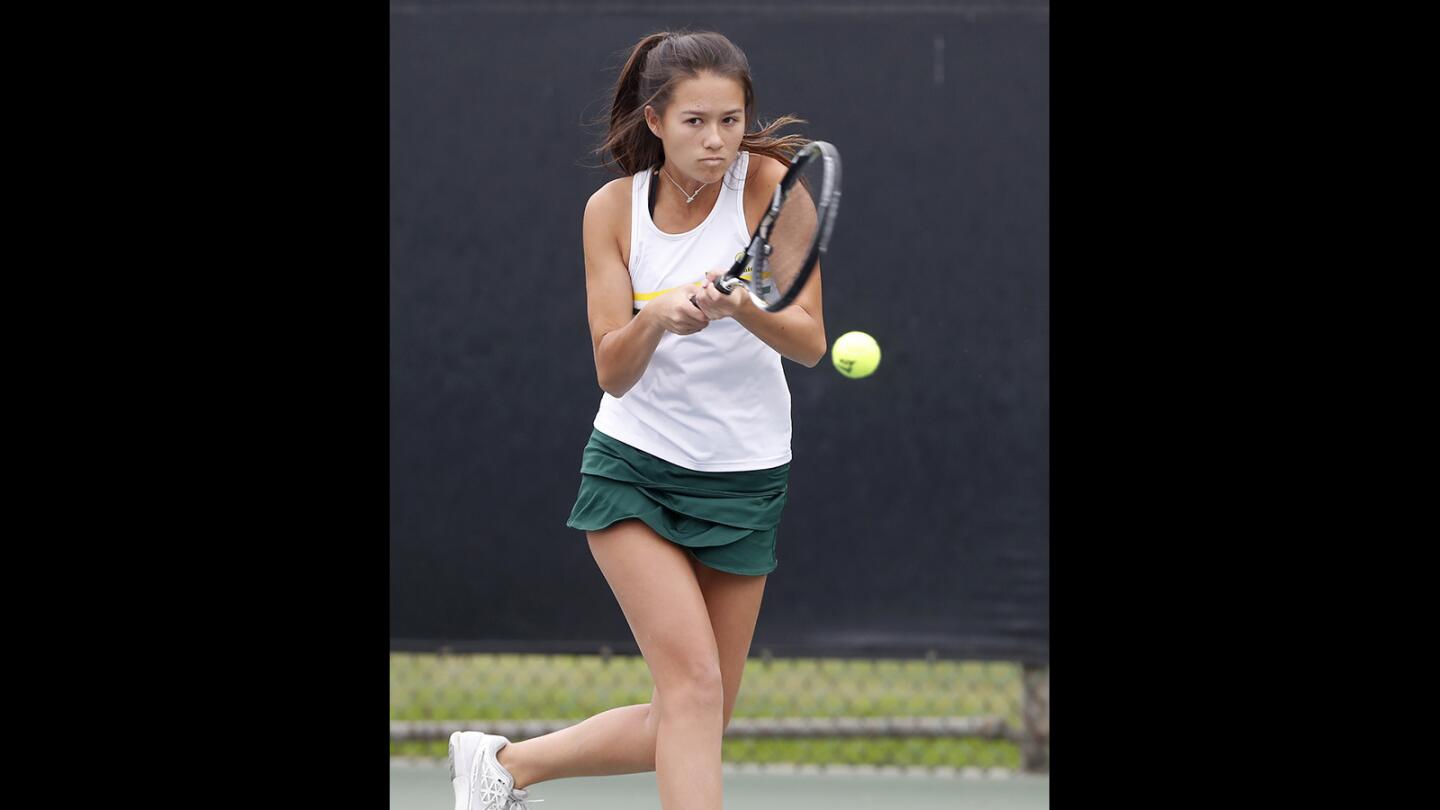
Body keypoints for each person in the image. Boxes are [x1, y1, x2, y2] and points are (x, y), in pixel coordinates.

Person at [449, 30, 827, 810]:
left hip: (747, 476)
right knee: (691, 691)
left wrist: (740, 308)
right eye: (695, 122)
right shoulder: (611, 212)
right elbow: (612, 368)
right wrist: (659, 322)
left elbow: (812, 341)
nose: (716, 140)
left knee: (698, 713)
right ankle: (500, 768)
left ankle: (503, 766)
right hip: (635, 468)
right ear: (655, 120)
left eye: (730, 119)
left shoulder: (771, 186)